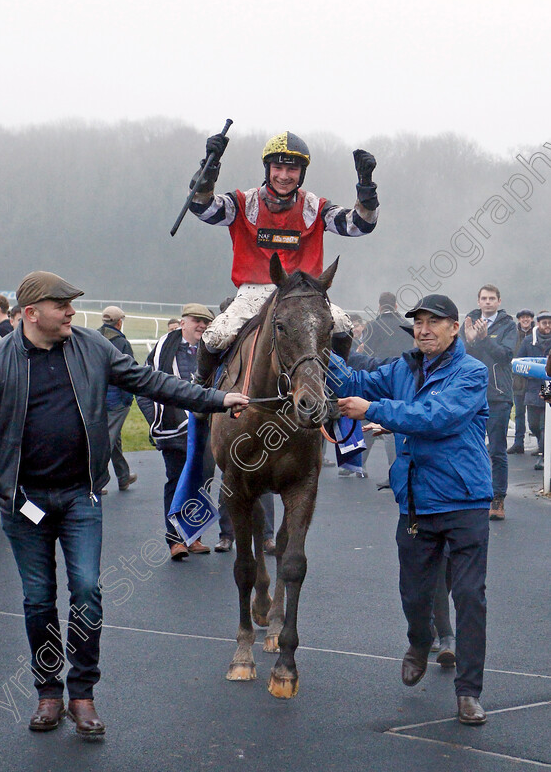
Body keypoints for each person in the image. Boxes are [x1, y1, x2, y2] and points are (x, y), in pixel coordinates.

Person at [0, 272, 248, 736]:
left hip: (79, 497)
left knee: (88, 591)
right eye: (62, 305)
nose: (72, 312)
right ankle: (48, 693)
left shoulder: (92, 346)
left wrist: (216, 399)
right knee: (38, 600)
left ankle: (83, 693)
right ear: (32, 314)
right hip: (23, 502)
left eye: (73, 305)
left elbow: (151, 382)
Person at [333, 293, 492, 726]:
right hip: (417, 504)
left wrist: (375, 410)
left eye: (433, 322)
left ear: (455, 328)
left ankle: (468, 692)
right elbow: (352, 384)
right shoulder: (404, 368)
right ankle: (419, 641)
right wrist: (321, 347)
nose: (423, 329)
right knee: (414, 593)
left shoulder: (472, 373)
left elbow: (436, 416)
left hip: (465, 502)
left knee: (469, 598)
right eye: (418, 322)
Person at [188, 131, 379, 382]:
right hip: (253, 295)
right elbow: (203, 207)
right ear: (267, 169)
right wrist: (209, 168)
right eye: (277, 167)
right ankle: (201, 389)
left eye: (293, 170)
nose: (284, 176)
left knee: (342, 325)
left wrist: (366, 185)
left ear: (302, 173)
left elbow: (359, 225)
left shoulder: (315, 206)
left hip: (304, 296)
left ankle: (334, 384)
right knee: (214, 337)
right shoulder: (244, 202)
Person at [138, 303, 219, 560]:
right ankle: (175, 540)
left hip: (205, 429)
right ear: (183, 322)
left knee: (202, 482)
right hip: (172, 430)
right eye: (197, 320)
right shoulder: (163, 350)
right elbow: (144, 387)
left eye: (206, 322)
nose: (202, 326)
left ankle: (194, 536)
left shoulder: (212, 351)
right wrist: (156, 418)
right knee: (176, 480)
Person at [460, 285, 517, 521]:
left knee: (496, 449)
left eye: (492, 298)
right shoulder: (469, 322)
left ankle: (498, 498)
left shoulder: (508, 325)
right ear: (478, 301)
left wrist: (484, 340)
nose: (487, 302)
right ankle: (472, 494)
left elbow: (505, 355)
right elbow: (459, 355)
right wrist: (471, 341)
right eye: (484, 298)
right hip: (472, 394)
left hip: (498, 396)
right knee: (469, 447)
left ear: (499, 301)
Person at [97, 305, 137, 494]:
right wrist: (129, 398)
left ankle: (123, 476)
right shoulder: (122, 343)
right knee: (108, 439)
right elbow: (130, 373)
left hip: (97, 398)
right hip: (117, 400)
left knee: (115, 438)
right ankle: (95, 480)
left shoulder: (94, 338)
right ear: (119, 322)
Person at [517, 311, 551, 471]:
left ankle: (545, 456)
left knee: (546, 424)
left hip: (548, 387)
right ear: (538, 324)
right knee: (534, 424)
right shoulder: (529, 341)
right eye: (545, 323)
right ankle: (541, 445)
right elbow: (519, 360)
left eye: (550, 323)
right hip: (533, 386)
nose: (548, 326)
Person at [508, 309, 534, 454]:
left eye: (528, 317)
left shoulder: (538, 334)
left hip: (538, 381)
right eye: (522, 317)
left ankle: (543, 445)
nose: (525, 320)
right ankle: (518, 443)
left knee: (538, 414)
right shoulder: (513, 335)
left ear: (531, 319)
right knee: (518, 413)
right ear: (518, 320)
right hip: (518, 379)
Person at [362, 292, 413, 358]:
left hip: (379, 367)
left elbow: (367, 355)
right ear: (396, 306)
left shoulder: (371, 327)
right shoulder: (407, 326)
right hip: (402, 366)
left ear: (379, 307)